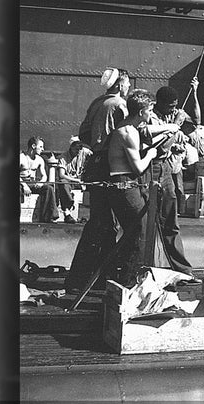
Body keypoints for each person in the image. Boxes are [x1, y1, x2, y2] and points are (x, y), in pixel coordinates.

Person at [65, 67, 131, 293]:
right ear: (120, 85)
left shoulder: (96, 103)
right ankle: (104, 277)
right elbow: (125, 136)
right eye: (127, 83)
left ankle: (85, 275)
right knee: (111, 224)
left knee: (99, 222)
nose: (129, 87)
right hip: (110, 167)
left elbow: (84, 134)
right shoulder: (119, 105)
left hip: (95, 164)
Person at [104, 89, 181, 286]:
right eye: (149, 110)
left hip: (125, 185)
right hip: (124, 185)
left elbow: (147, 132)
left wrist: (168, 127)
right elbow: (138, 166)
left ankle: (125, 276)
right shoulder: (129, 133)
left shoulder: (131, 128)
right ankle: (129, 283)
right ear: (141, 113)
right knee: (140, 231)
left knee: (137, 232)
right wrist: (152, 154)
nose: (151, 114)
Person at [148, 85, 196, 273]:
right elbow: (159, 148)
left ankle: (183, 270)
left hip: (166, 168)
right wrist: (176, 125)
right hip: (153, 168)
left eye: (175, 107)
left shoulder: (169, 114)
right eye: (171, 107)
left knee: (170, 219)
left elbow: (197, 121)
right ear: (160, 104)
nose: (174, 110)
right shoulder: (151, 117)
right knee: (147, 222)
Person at [20, 136, 59, 223]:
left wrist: (41, 183)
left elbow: (44, 176)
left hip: (32, 183)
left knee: (48, 188)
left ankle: (48, 217)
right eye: (40, 147)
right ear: (33, 146)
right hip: (21, 183)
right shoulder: (21, 157)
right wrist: (25, 186)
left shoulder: (39, 160)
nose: (43, 149)